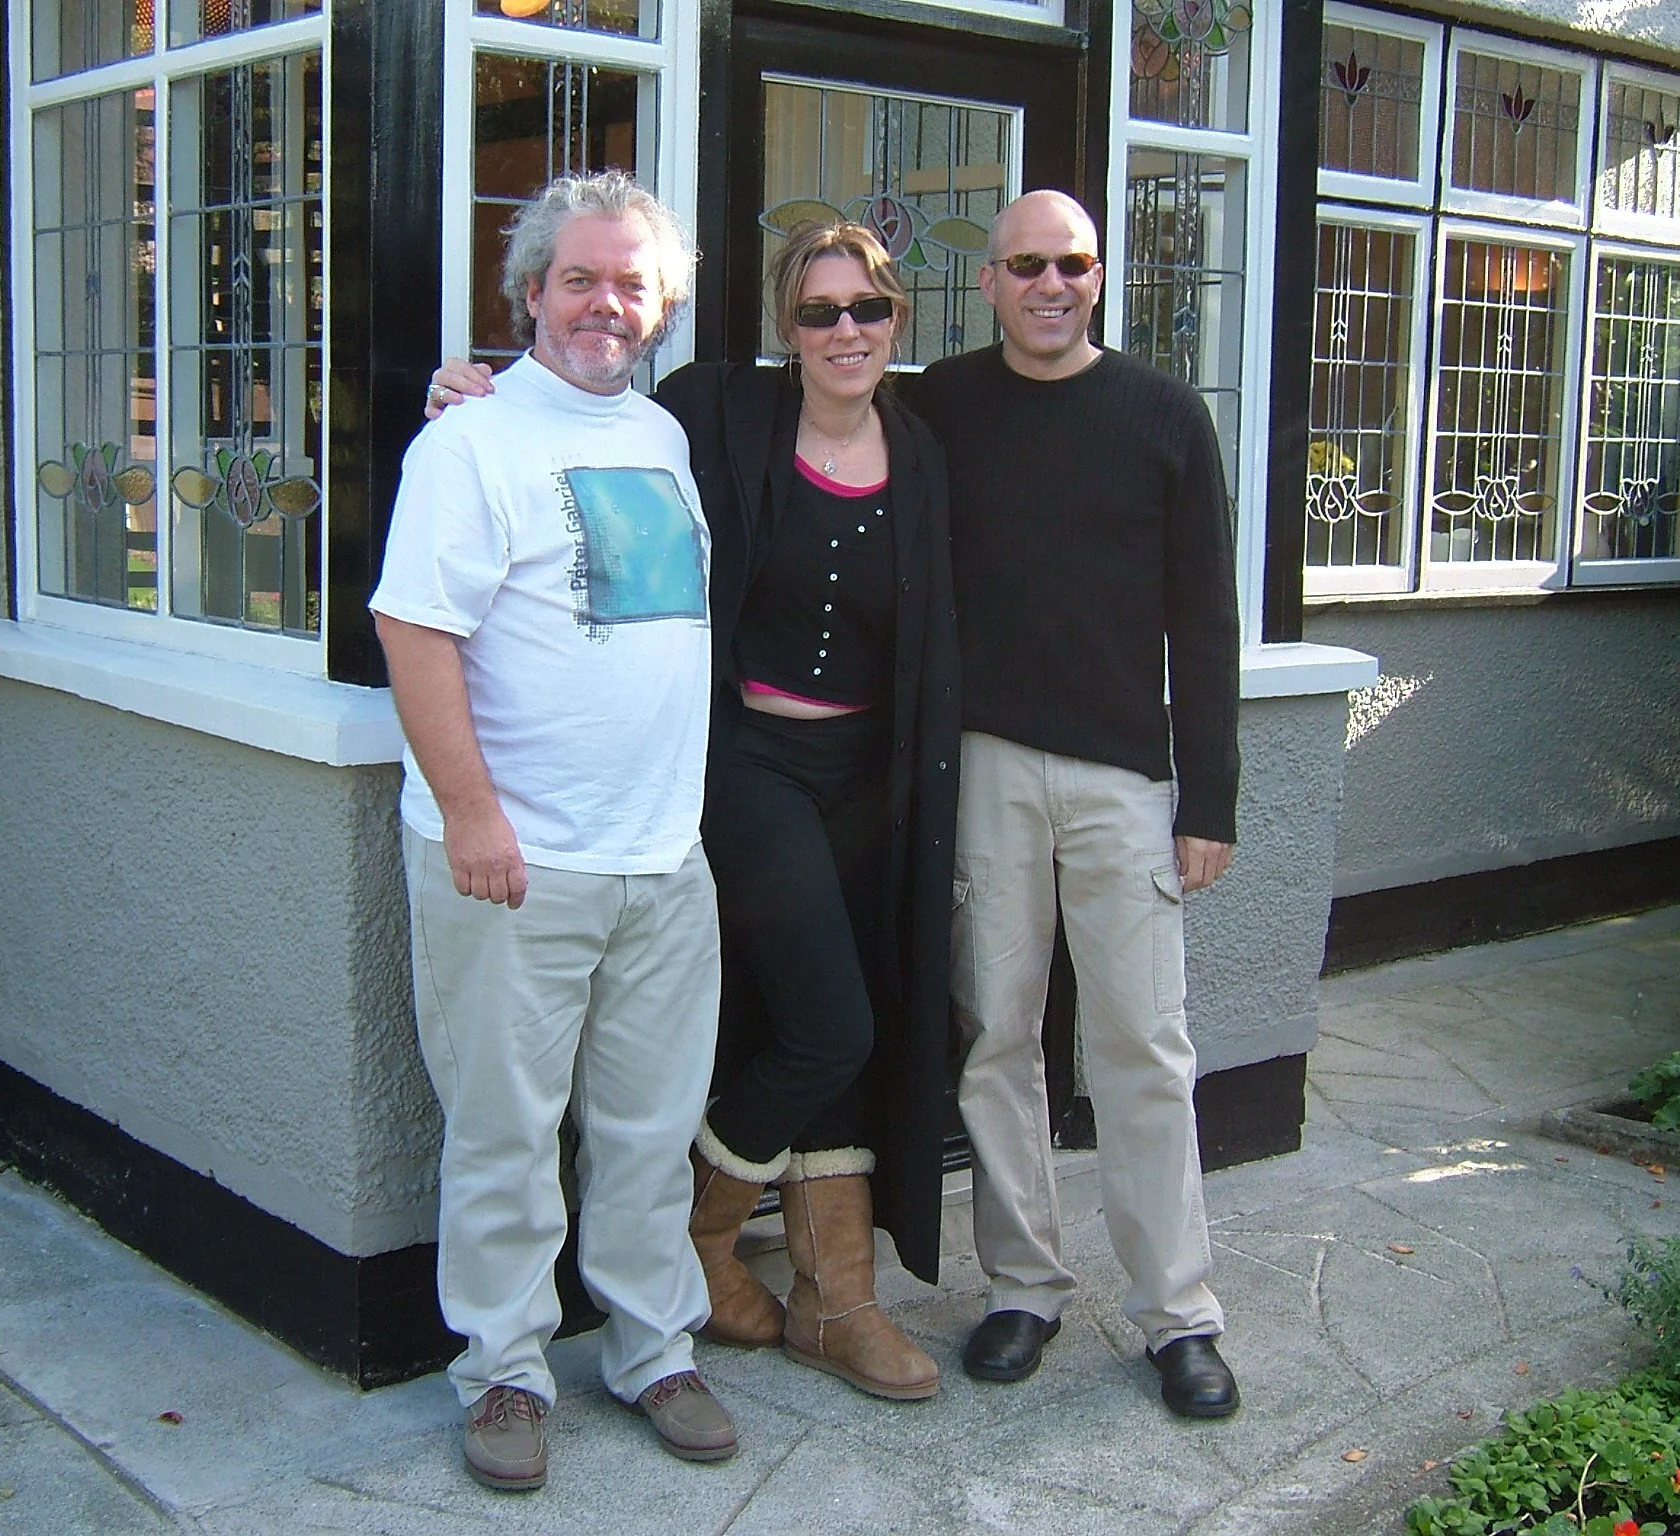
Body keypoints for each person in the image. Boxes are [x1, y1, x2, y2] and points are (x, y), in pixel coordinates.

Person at [428, 222, 962, 1403]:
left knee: (841, 1007)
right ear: (784, 329)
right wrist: (463, 376)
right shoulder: (713, 414)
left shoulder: (921, 451)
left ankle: (837, 1299)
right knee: (830, 1022)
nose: (844, 332)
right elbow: (571, 381)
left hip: (867, 779)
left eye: (866, 310)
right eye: (818, 312)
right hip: (746, 769)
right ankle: (704, 1241)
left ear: (896, 324)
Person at [371, 170, 737, 1495]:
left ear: (661, 307)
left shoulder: (663, 437)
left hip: (658, 859)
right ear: (529, 294)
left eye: (630, 283)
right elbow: (414, 629)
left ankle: (652, 1348)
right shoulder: (469, 441)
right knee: (504, 1132)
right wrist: (472, 813)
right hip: (513, 864)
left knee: (648, 1128)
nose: (605, 303)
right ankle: (508, 1372)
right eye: (578, 279)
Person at [906, 189, 1243, 1417]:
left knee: (1141, 1047)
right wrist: (497, 384)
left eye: (1072, 265)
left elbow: (1205, 618)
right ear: (986, 280)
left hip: (1119, 776)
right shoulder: (935, 404)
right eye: (1025, 265)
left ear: (1098, 278)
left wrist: (1207, 797)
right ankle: (1022, 1287)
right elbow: (800, 409)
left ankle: (1176, 1316)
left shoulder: (1162, 416)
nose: (1050, 285)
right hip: (986, 766)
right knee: (995, 1032)